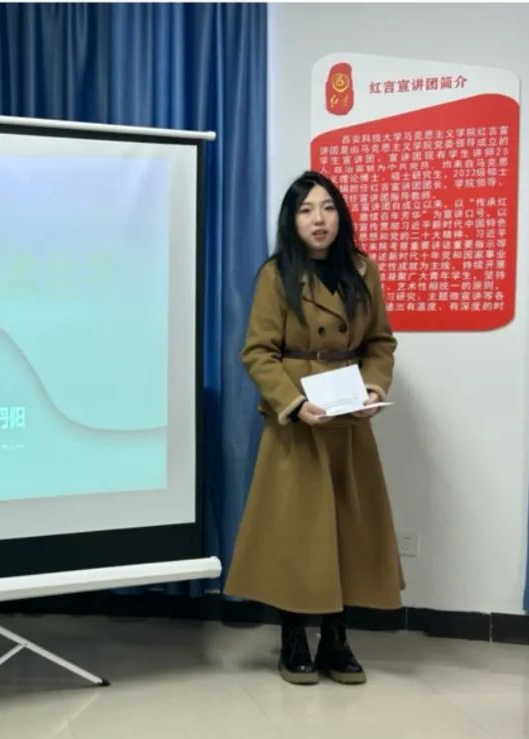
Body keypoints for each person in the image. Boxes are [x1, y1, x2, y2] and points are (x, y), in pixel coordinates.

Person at [224, 170, 402, 686]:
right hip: (299, 420)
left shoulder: (363, 271)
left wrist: (373, 389)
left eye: (327, 208)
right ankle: (293, 637)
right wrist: (294, 403)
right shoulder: (275, 275)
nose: (319, 220)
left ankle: (337, 638)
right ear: (292, 221)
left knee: (346, 529)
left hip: (347, 419)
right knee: (296, 531)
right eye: (306, 210)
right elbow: (257, 352)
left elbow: (380, 343)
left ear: (340, 215)